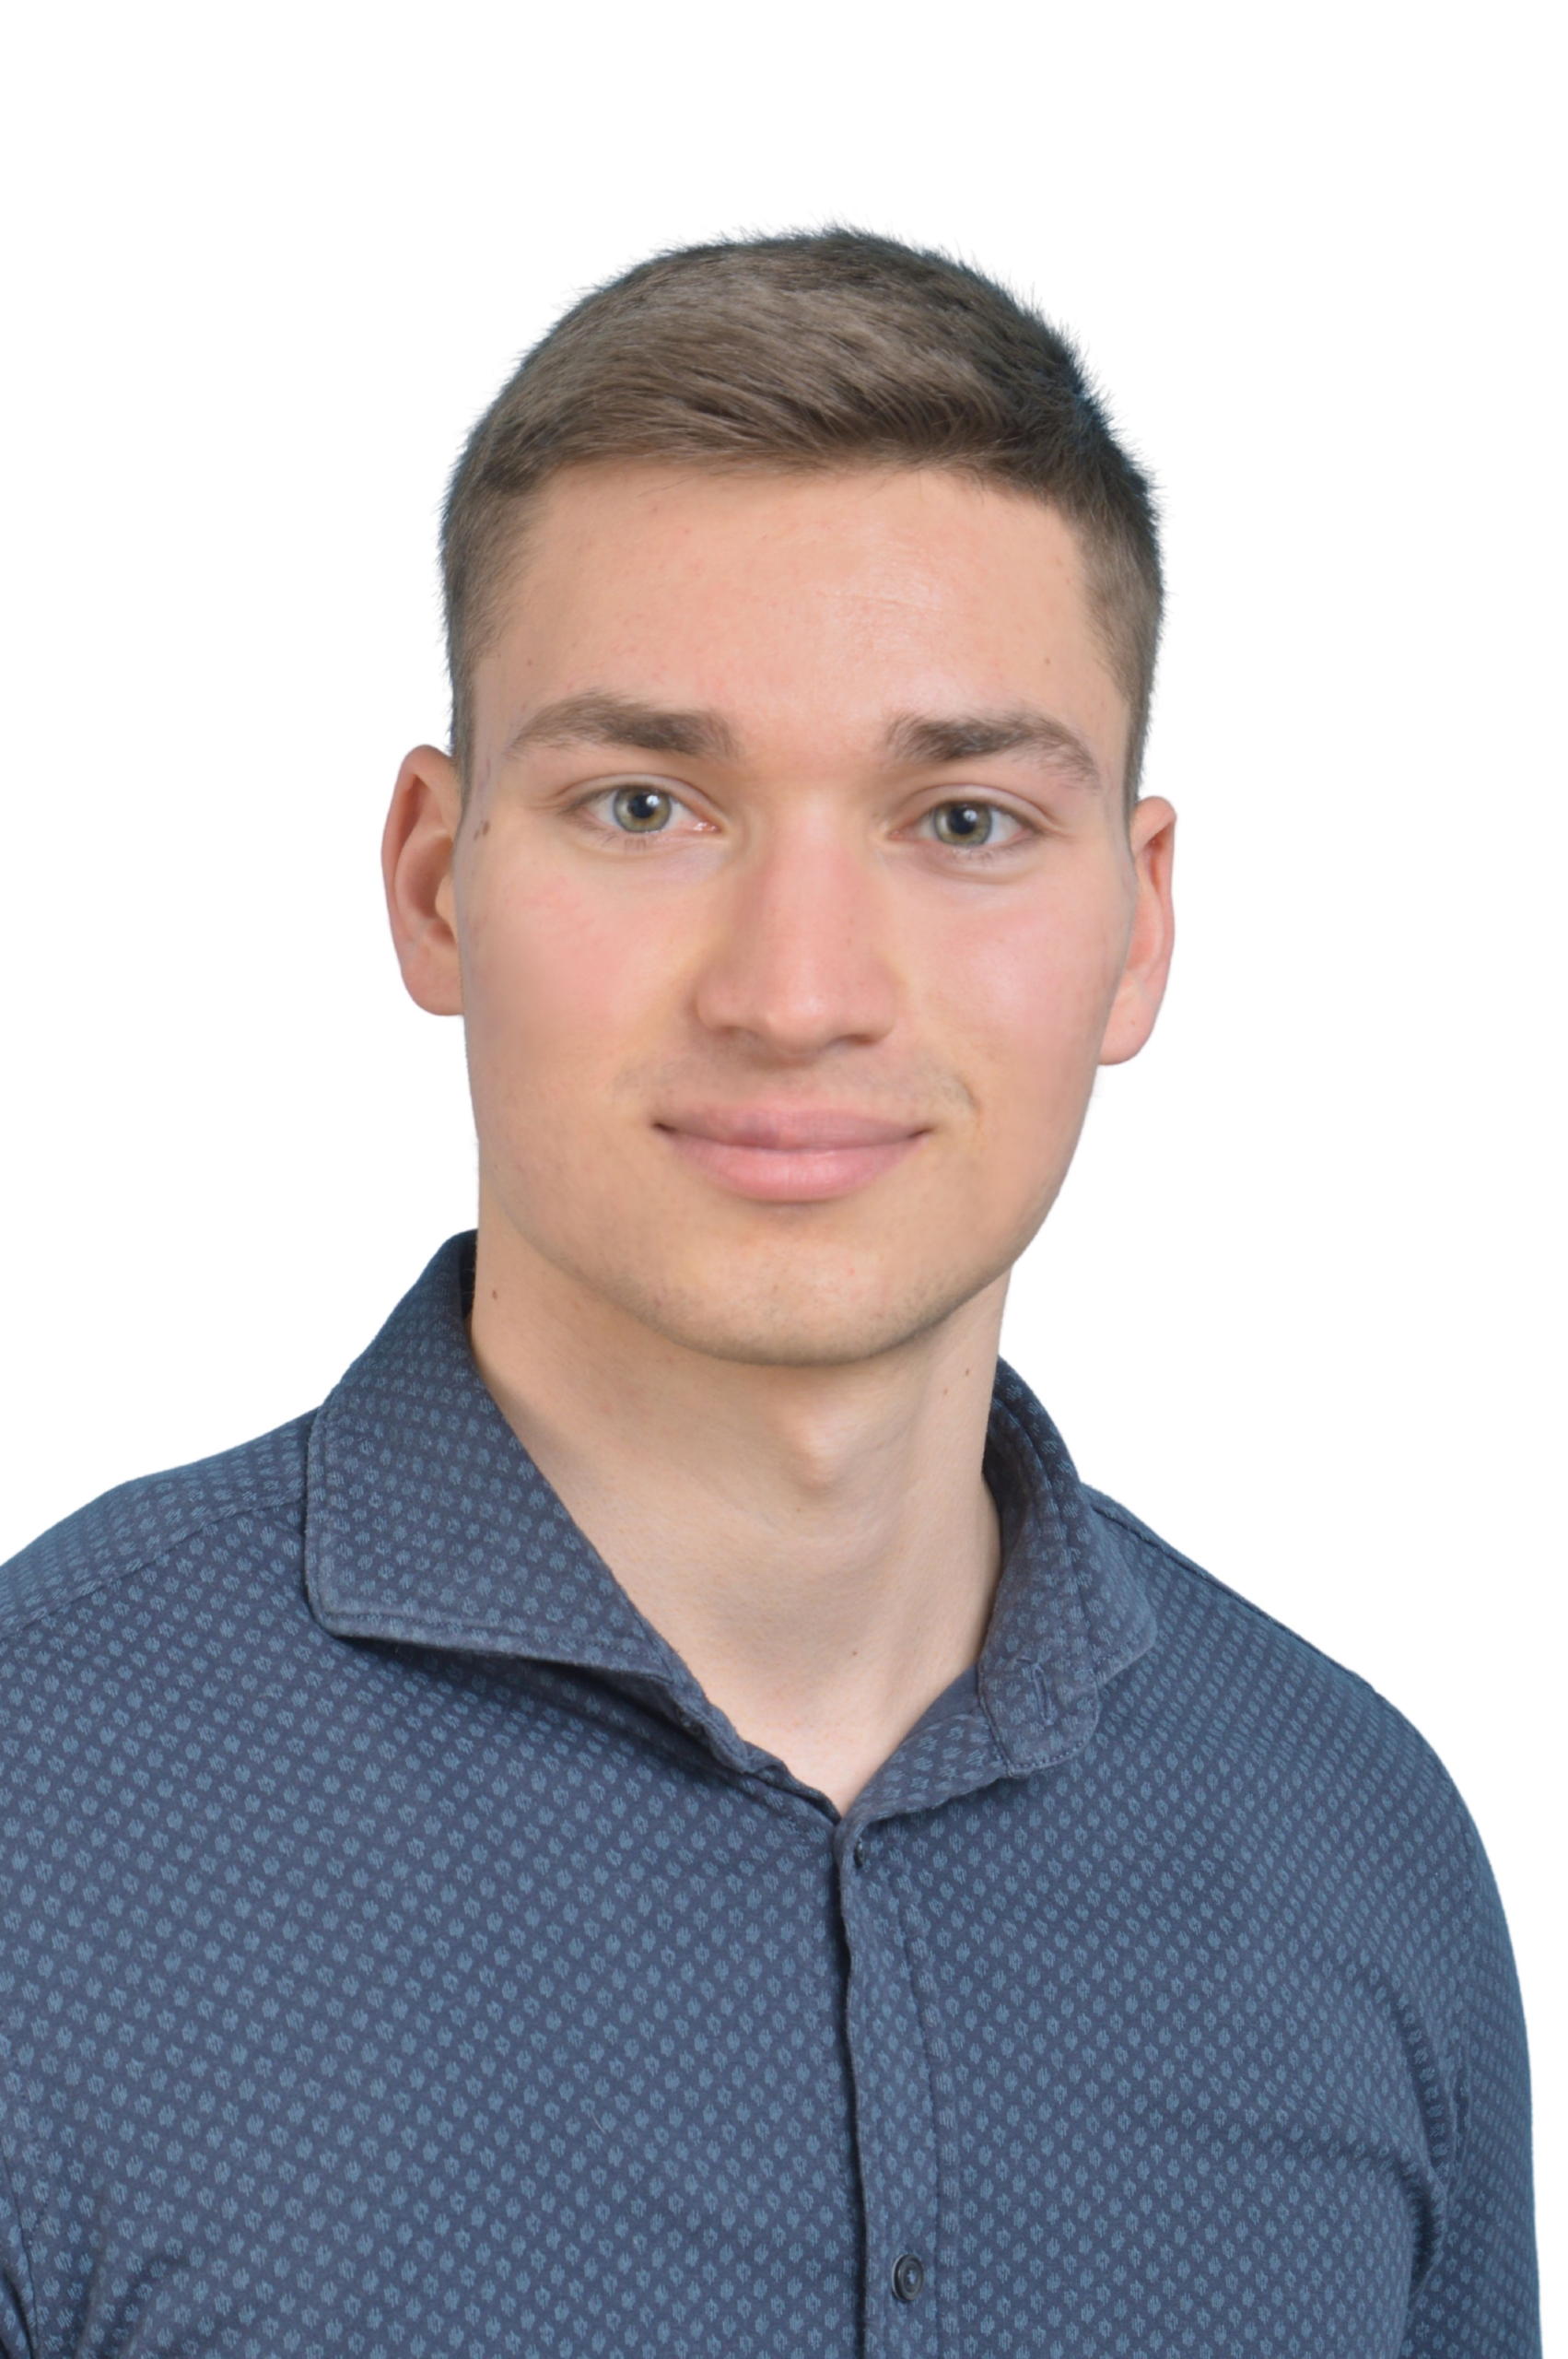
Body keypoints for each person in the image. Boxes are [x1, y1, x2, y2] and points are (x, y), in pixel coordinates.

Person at [0, 231, 1538, 2358]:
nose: (795, 991)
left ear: (1135, 922)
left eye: (962, 818)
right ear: (435, 882)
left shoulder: (1356, 1851)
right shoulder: (40, 1814)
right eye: (645, 804)